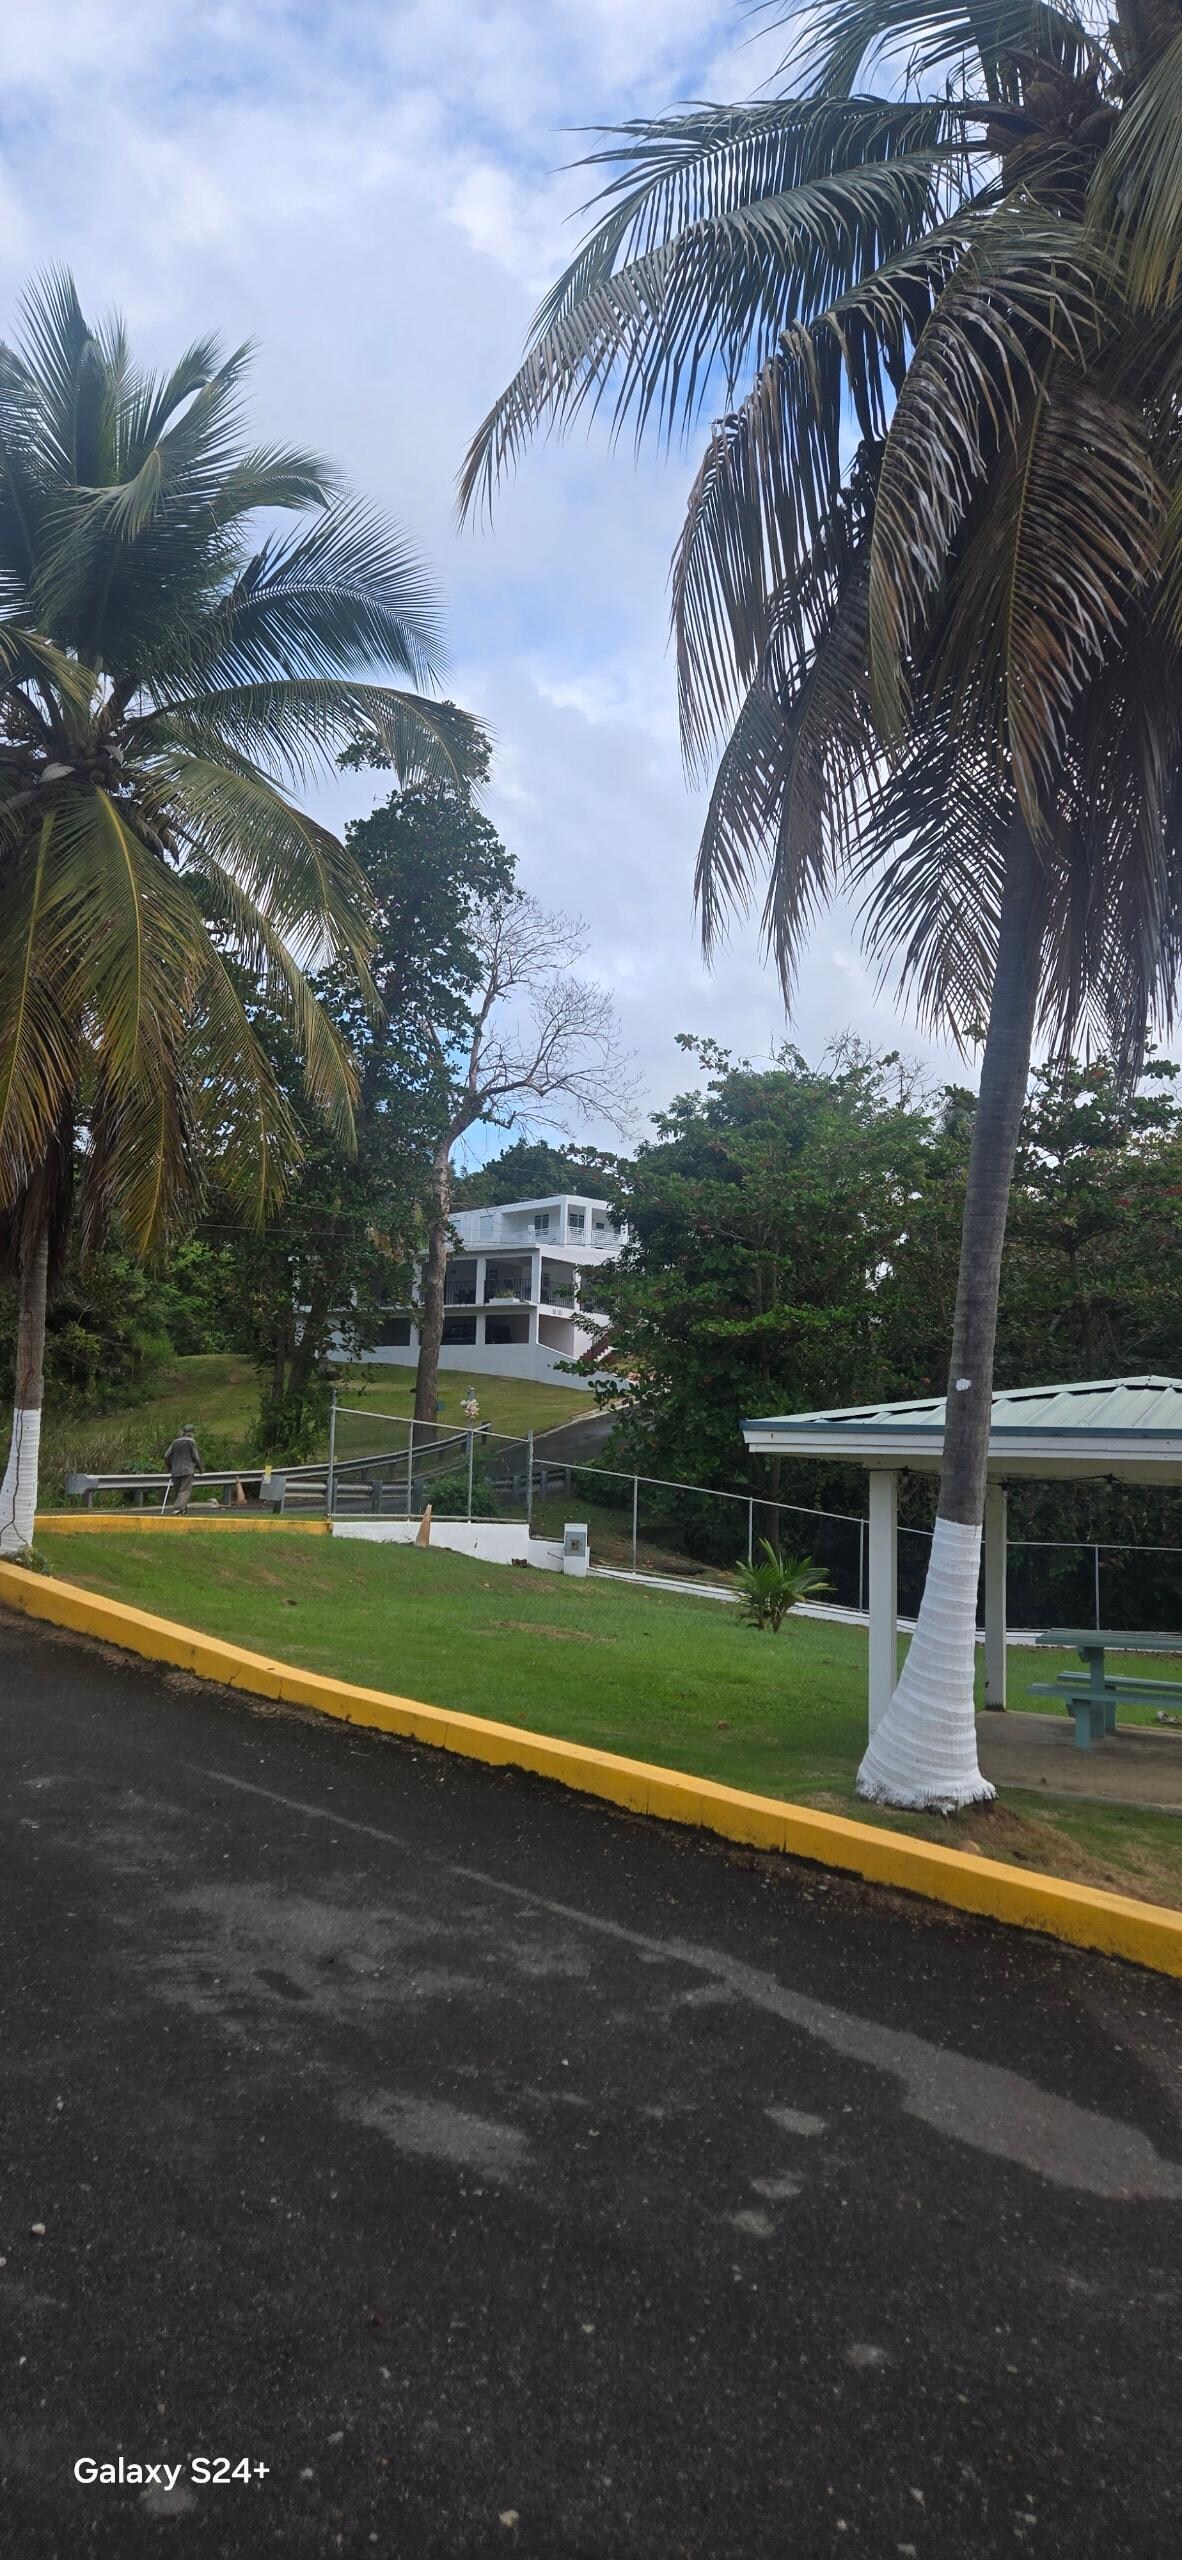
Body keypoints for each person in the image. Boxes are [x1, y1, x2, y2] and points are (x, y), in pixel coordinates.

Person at [163, 1424, 203, 1513]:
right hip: (187, 1470)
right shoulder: (191, 1442)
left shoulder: (175, 1442)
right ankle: (178, 1508)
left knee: (177, 1491)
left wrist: (170, 1466)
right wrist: (200, 1468)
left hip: (175, 1470)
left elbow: (166, 1456)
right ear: (191, 1433)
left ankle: (183, 1509)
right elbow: (196, 1457)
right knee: (184, 1490)